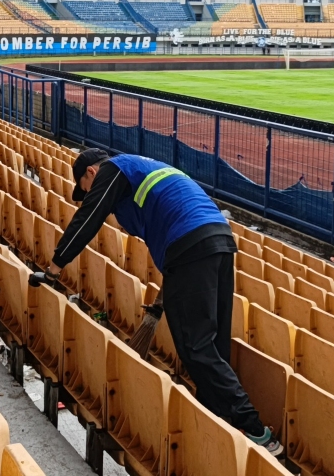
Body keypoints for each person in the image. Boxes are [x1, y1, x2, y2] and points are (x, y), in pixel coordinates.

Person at [36, 148, 283, 457]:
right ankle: (216, 420)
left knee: (195, 346)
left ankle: (256, 428)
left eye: (86, 190)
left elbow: (89, 218)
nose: (90, 194)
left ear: (90, 174)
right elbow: (175, 217)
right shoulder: (146, 168)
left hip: (189, 245)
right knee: (212, 342)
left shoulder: (114, 170)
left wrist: (54, 268)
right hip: (217, 238)